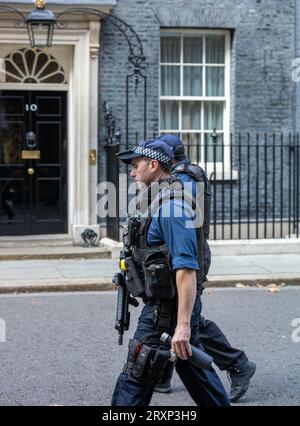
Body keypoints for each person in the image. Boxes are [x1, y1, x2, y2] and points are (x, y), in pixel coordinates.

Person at [111, 138, 230, 406]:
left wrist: (183, 325)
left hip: (165, 312)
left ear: (153, 165)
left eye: (136, 165)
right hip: (164, 306)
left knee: (137, 371)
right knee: (192, 367)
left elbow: (186, 269)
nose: (132, 172)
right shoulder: (156, 202)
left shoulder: (172, 207)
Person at [153, 134, 256, 403]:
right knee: (172, 314)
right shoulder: (184, 173)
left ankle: (238, 365)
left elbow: (177, 213)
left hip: (189, 254)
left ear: (170, 157)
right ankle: (161, 373)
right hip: (180, 252)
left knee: (188, 320)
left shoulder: (185, 175)